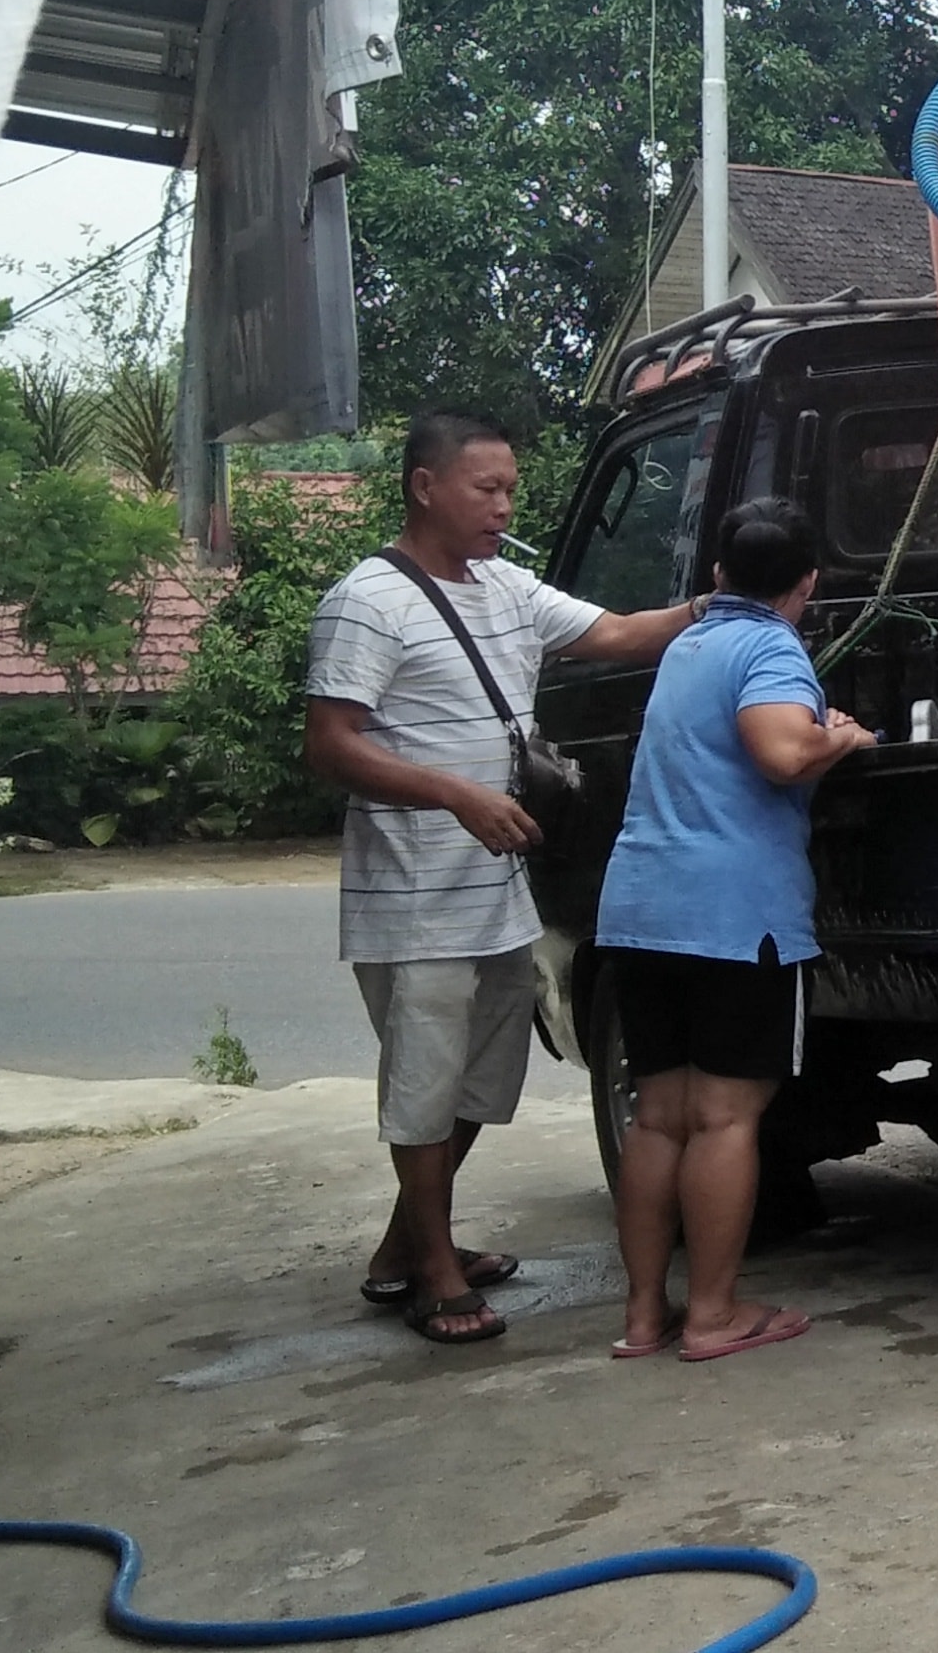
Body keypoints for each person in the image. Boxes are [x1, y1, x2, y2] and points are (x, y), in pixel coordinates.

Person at [305, 412, 702, 1344]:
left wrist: (724, 603)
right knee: (423, 1082)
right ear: (425, 486)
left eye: (511, 489)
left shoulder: (507, 587)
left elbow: (616, 633)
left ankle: (407, 1243)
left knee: (480, 1081)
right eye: (486, 488)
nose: (504, 506)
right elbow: (330, 744)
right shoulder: (367, 601)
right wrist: (452, 794)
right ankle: (436, 1272)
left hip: (496, 890)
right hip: (411, 896)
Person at [601, 498, 873, 1362]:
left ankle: (645, 1317)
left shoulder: (686, 644)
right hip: (733, 917)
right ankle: (713, 1314)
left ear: (717, 576)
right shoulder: (768, 646)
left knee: (659, 1118)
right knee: (724, 1118)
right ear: (808, 584)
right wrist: (842, 739)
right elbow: (781, 753)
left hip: (643, 907)